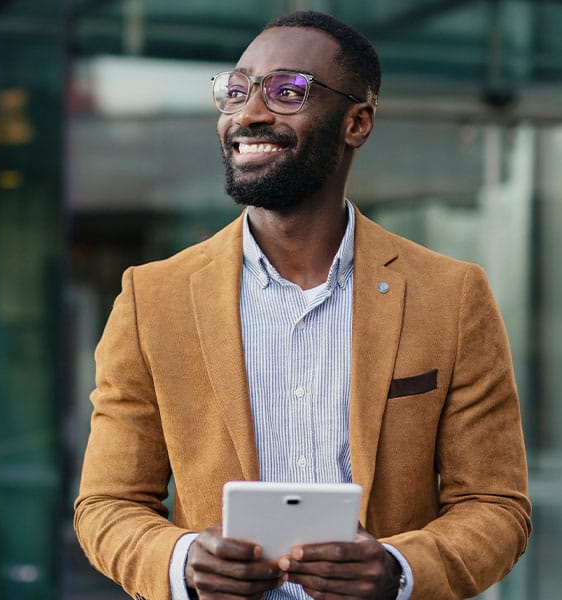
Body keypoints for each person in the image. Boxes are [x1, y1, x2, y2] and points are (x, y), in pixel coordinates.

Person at [74, 10, 530, 600]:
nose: (249, 113)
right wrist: (181, 561)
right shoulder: (151, 298)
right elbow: (106, 503)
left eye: (288, 91)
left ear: (356, 122)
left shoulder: (451, 296)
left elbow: (495, 506)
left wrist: (397, 569)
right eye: (236, 90)